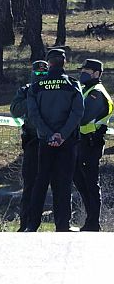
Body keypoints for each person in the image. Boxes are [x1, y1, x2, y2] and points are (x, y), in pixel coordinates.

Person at [25, 49, 84, 232]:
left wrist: (49, 134)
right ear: (64, 62)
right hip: (67, 142)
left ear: (49, 63)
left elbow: (33, 114)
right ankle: (62, 225)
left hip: (45, 141)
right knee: (64, 183)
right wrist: (63, 134)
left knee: (40, 182)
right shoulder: (72, 84)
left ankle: (32, 224)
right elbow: (78, 112)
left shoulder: (37, 86)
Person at [73, 59, 113, 231]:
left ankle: (93, 222)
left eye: (87, 71)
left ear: (97, 74)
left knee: (90, 182)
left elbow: (83, 116)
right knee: (81, 180)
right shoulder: (88, 90)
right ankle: (90, 220)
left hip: (91, 142)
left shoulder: (96, 93)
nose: (83, 74)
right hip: (84, 142)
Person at [10, 60, 49, 232]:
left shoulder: (53, 89)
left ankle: (61, 224)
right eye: (37, 74)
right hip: (32, 141)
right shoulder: (26, 90)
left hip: (50, 141)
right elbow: (15, 109)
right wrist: (33, 98)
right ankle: (25, 223)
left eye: (43, 74)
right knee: (29, 185)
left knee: (56, 184)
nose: (40, 77)